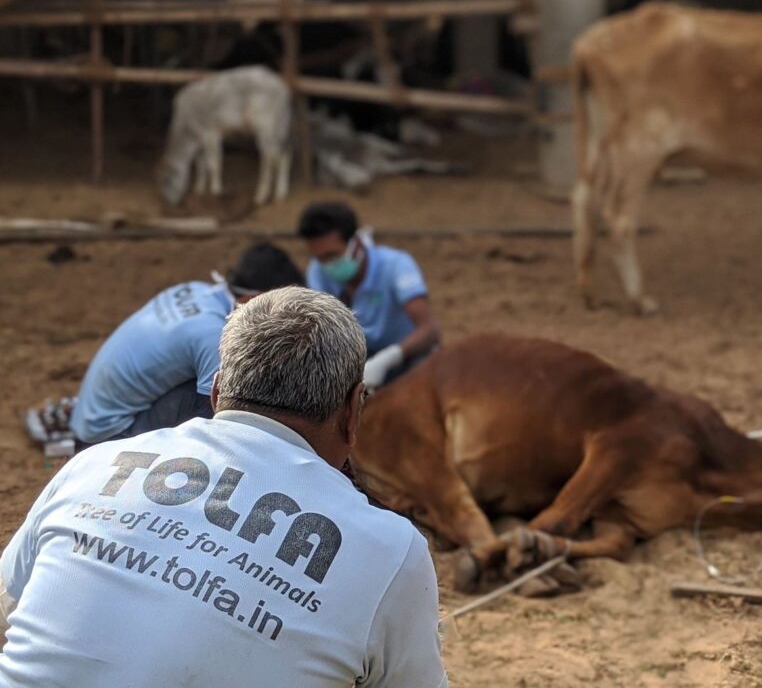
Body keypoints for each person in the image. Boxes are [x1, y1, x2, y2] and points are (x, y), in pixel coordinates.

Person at [0, 287, 447, 687]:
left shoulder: (93, 464)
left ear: (216, 390)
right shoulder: (392, 552)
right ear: (353, 412)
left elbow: (7, 612)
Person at [67, 242, 303, 450]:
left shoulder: (196, 290)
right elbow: (216, 423)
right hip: (106, 440)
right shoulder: (214, 334)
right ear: (253, 300)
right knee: (228, 391)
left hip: (89, 422)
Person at [298, 201, 440, 389]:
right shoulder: (318, 271)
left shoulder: (396, 265)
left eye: (333, 255)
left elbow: (429, 330)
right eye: (320, 258)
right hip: (357, 360)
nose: (327, 265)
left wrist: (388, 359)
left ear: (355, 243)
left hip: (407, 355)